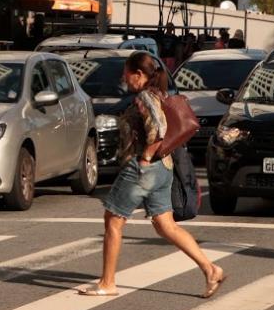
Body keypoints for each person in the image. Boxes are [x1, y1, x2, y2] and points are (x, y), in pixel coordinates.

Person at [79, 51, 226, 297]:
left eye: (127, 73)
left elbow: (158, 129)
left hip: (145, 168)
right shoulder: (158, 93)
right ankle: (210, 269)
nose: (124, 78)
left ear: (139, 74)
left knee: (113, 219)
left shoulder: (145, 97)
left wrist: (144, 158)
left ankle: (107, 282)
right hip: (163, 167)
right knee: (165, 225)